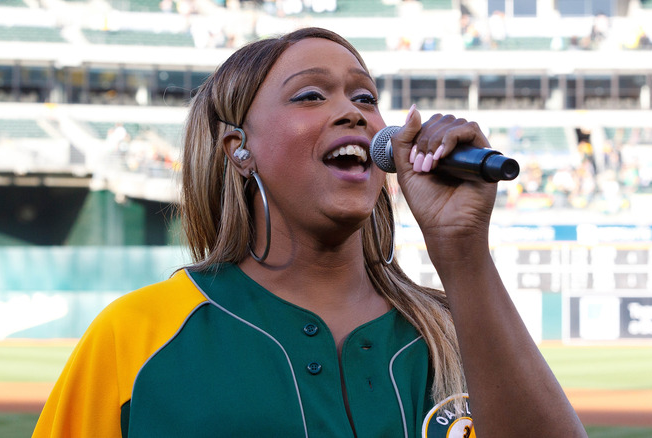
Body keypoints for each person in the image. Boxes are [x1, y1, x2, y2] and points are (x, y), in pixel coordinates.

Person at [33, 27, 586, 437]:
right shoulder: (136, 337)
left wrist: (461, 251)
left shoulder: (460, 330)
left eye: (365, 97)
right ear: (238, 151)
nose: (352, 113)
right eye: (310, 96)